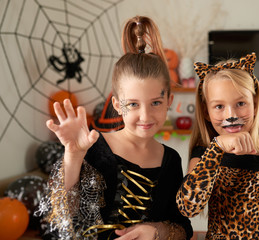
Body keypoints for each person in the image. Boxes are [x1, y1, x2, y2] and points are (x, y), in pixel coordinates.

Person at [35, 16, 192, 240]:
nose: (145, 115)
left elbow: (182, 227)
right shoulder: (92, 147)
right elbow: (60, 217)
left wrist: (156, 231)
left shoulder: (171, 160)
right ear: (117, 105)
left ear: (169, 101)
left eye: (155, 102)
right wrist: (73, 154)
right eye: (133, 104)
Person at [176, 53, 259, 239]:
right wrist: (217, 147)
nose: (231, 115)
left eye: (240, 103)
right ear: (206, 112)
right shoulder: (205, 155)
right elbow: (187, 207)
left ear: (254, 104)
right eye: (219, 106)